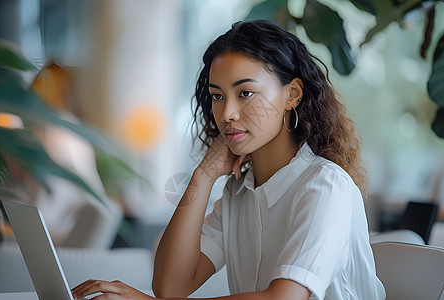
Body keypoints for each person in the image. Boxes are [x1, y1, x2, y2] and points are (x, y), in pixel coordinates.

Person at [72, 19, 385, 300]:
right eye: (218, 96)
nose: (227, 113)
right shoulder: (239, 194)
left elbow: (284, 299)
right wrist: (204, 174)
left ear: (292, 95)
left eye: (245, 93)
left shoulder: (325, 186)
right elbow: (170, 288)